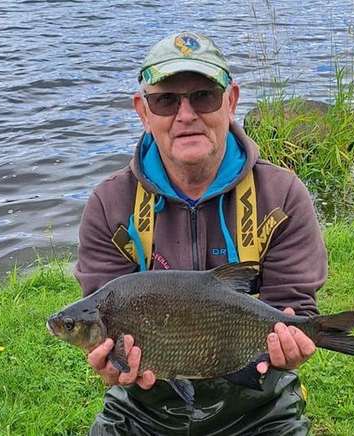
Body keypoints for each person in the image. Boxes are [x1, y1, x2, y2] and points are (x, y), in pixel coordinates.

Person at [74, 31, 328, 435]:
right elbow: (101, 306)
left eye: (204, 96)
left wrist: (293, 338)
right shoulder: (110, 203)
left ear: (231, 101)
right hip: (144, 405)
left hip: (258, 401)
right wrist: (110, 363)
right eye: (166, 100)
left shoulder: (281, 195)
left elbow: (293, 304)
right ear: (143, 111)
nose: (186, 114)